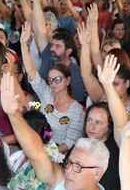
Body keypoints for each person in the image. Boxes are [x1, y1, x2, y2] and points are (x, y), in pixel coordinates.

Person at [21, 23, 85, 152]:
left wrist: (44, 153)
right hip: (37, 147)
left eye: (57, 80)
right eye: (50, 80)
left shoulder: (77, 111)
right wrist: (23, 44)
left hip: (58, 155)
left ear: (67, 81)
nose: (53, 83)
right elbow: (32, 71)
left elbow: (68, 144)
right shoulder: (46, 93)